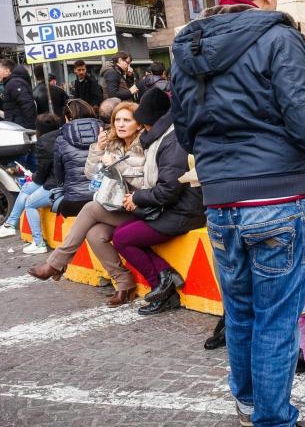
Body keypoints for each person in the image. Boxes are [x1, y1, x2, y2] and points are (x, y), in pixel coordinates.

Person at [170, 0, 305, 427]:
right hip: (276, 196)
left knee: (240, 311)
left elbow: (184, 131)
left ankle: (248, 403)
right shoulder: (276, 35)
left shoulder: (186, 45)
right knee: (275, 319)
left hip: (221, 200)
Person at [28, 102, 145, 307]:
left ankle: (55, 264)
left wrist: (119, 166)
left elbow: (146, 182)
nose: (121, 124)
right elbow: (91, 175)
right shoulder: (113, 144)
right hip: (116, 205)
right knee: (95, 234)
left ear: (139, 124)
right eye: (117, 120)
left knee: (90, 208)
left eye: (127, 120)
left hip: (139, 206)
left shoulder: (144, 145)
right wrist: (98, 149)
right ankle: (124, 284)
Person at [111, 88, 205, 315]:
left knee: (123, 238)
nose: (142, 126)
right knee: (122, 231)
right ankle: (165, 277)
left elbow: (169, 190)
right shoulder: (162, 137)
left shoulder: (172, 142)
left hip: (183, 211)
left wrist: (137, 197)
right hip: (171, 207)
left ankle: (161, 289)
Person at [0, 113, 61, 253]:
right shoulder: (61, 137)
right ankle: (9, 225)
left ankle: (38, 243)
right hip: (56, 180)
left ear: (39, 129)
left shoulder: (44, 143)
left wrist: (32, 176)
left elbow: (41, 176)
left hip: (57, 184)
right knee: (27, 187)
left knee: (30, 202)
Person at [54, 99, 102, 217]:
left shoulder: (61, 140)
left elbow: (59, 175)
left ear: (67, 117)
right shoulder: (105, 133)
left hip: (74, 201)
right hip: (102, 198)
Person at [0, 59, 36, 129]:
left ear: (7, 71)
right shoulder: (12, 82)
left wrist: (29, 126)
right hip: (18, 124)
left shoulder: (14, 83)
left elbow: (27, 104)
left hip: (21, 126)